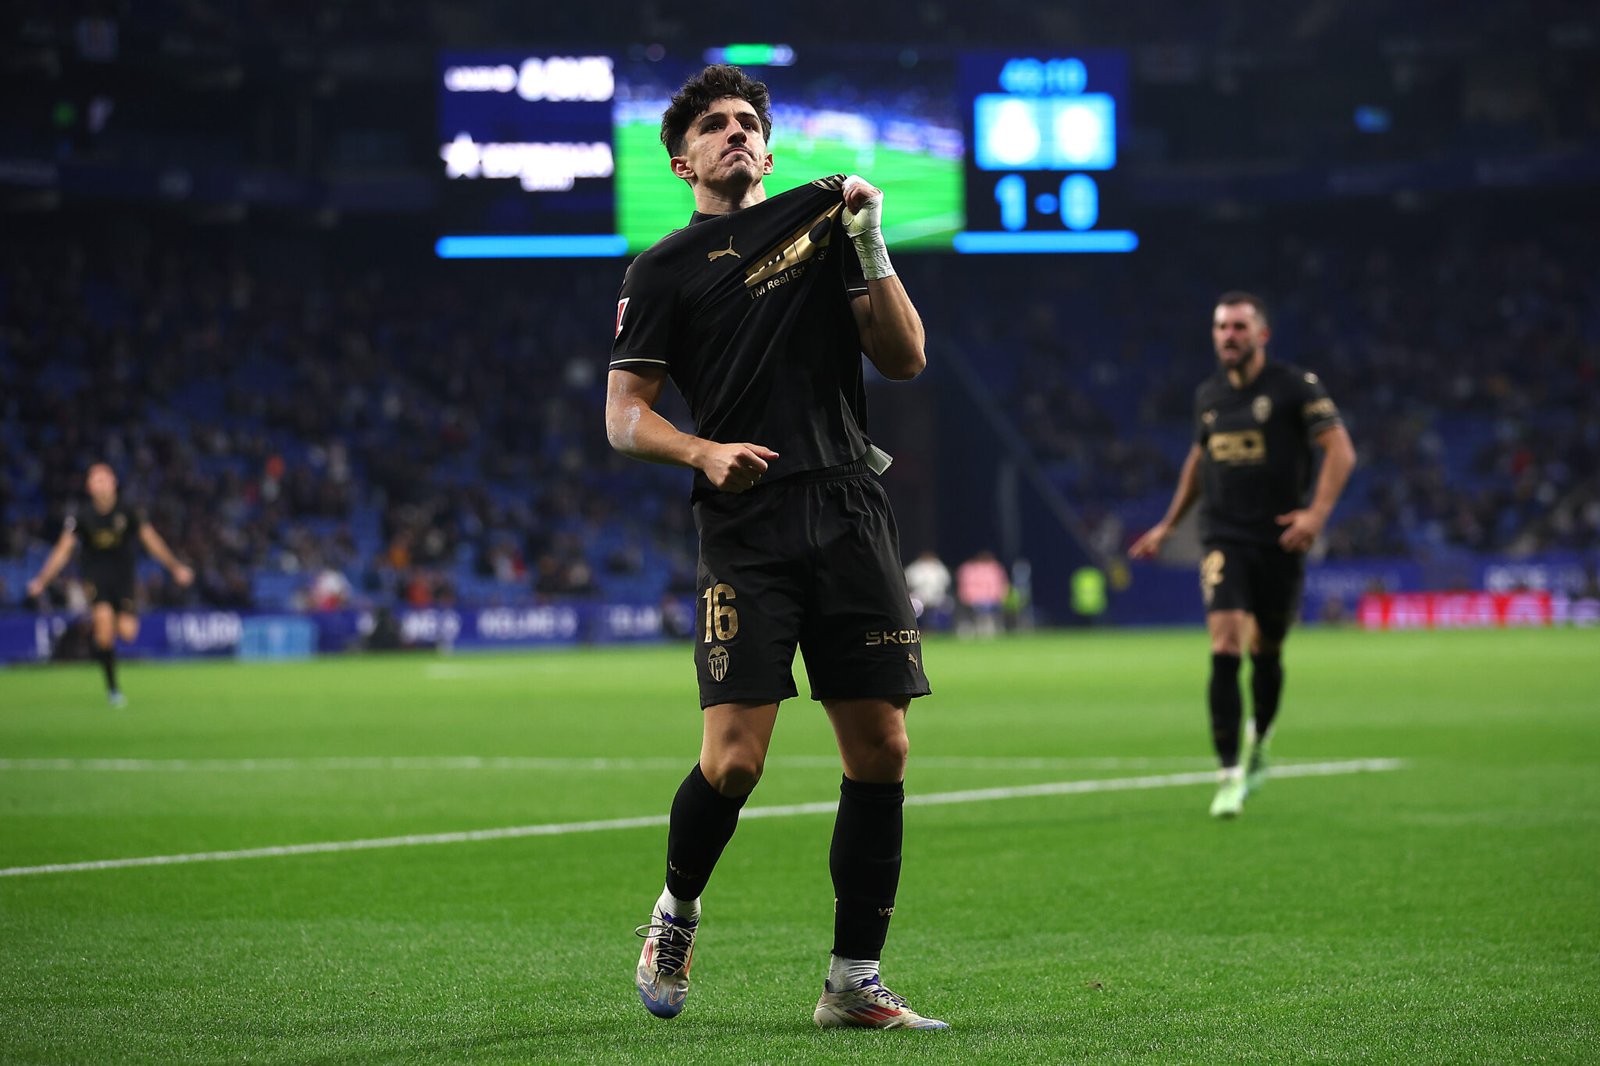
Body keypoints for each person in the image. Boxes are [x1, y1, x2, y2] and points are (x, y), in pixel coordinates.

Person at [606, 65, 944, 1030]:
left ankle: (852, 983)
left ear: (768, 145)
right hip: (746, 524)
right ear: (683, 161)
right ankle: (675, 914)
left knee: (882, 746)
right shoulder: (662, 271)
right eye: (714, 126)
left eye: (748, 122)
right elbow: (625, 418)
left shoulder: (824, 224)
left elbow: (906, 357)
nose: (735, 134)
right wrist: (701, 449)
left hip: (846, 505)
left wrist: (873, 240)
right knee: (734, 763)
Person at [1129, 292, 1355, 818]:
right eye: (1221, 327)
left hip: (1280, 538)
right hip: (1223, 536)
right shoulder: (1208, 395)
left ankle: (1261, 741)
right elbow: (1198, 459)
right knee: (1226, 642)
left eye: (1238, 327)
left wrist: (1315, 516)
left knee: (1267, 650)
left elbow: (1340, 449)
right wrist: (1168, 525)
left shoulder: (1295, 387)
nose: (1228, 335)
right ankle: (1228, 773)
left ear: (1261, 335)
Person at [26, 463, 195, 706]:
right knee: (104, 630)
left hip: (123, 579)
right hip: (96, 578)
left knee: (127, 633)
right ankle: (113, 689)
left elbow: (151, 541)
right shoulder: (82, 516)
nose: (101, 484)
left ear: (114, 482)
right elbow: (63, 550)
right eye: (95, 480)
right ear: (89, 487)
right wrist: (42, 580)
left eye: (104, 479)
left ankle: (97, 633)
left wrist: (176, 567)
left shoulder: (128, 511)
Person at [902, 549, 952, 625]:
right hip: (919, 595)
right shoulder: (915, 567)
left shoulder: (939, 567)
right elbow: (908, 581)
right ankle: (916, 625)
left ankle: (941, 627)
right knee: (914, 604)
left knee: (948, 603)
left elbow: (946, 582)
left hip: (937, 595)